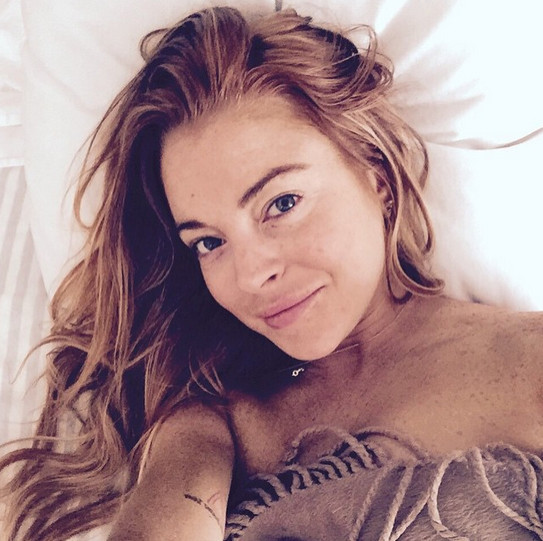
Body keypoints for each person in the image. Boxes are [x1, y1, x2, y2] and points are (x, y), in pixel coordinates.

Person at [1, 6, 542, 541]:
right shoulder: (214, 418)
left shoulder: (527, 362)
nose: (251, 275)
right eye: (210, 242)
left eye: (281, 204)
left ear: (375, 172)